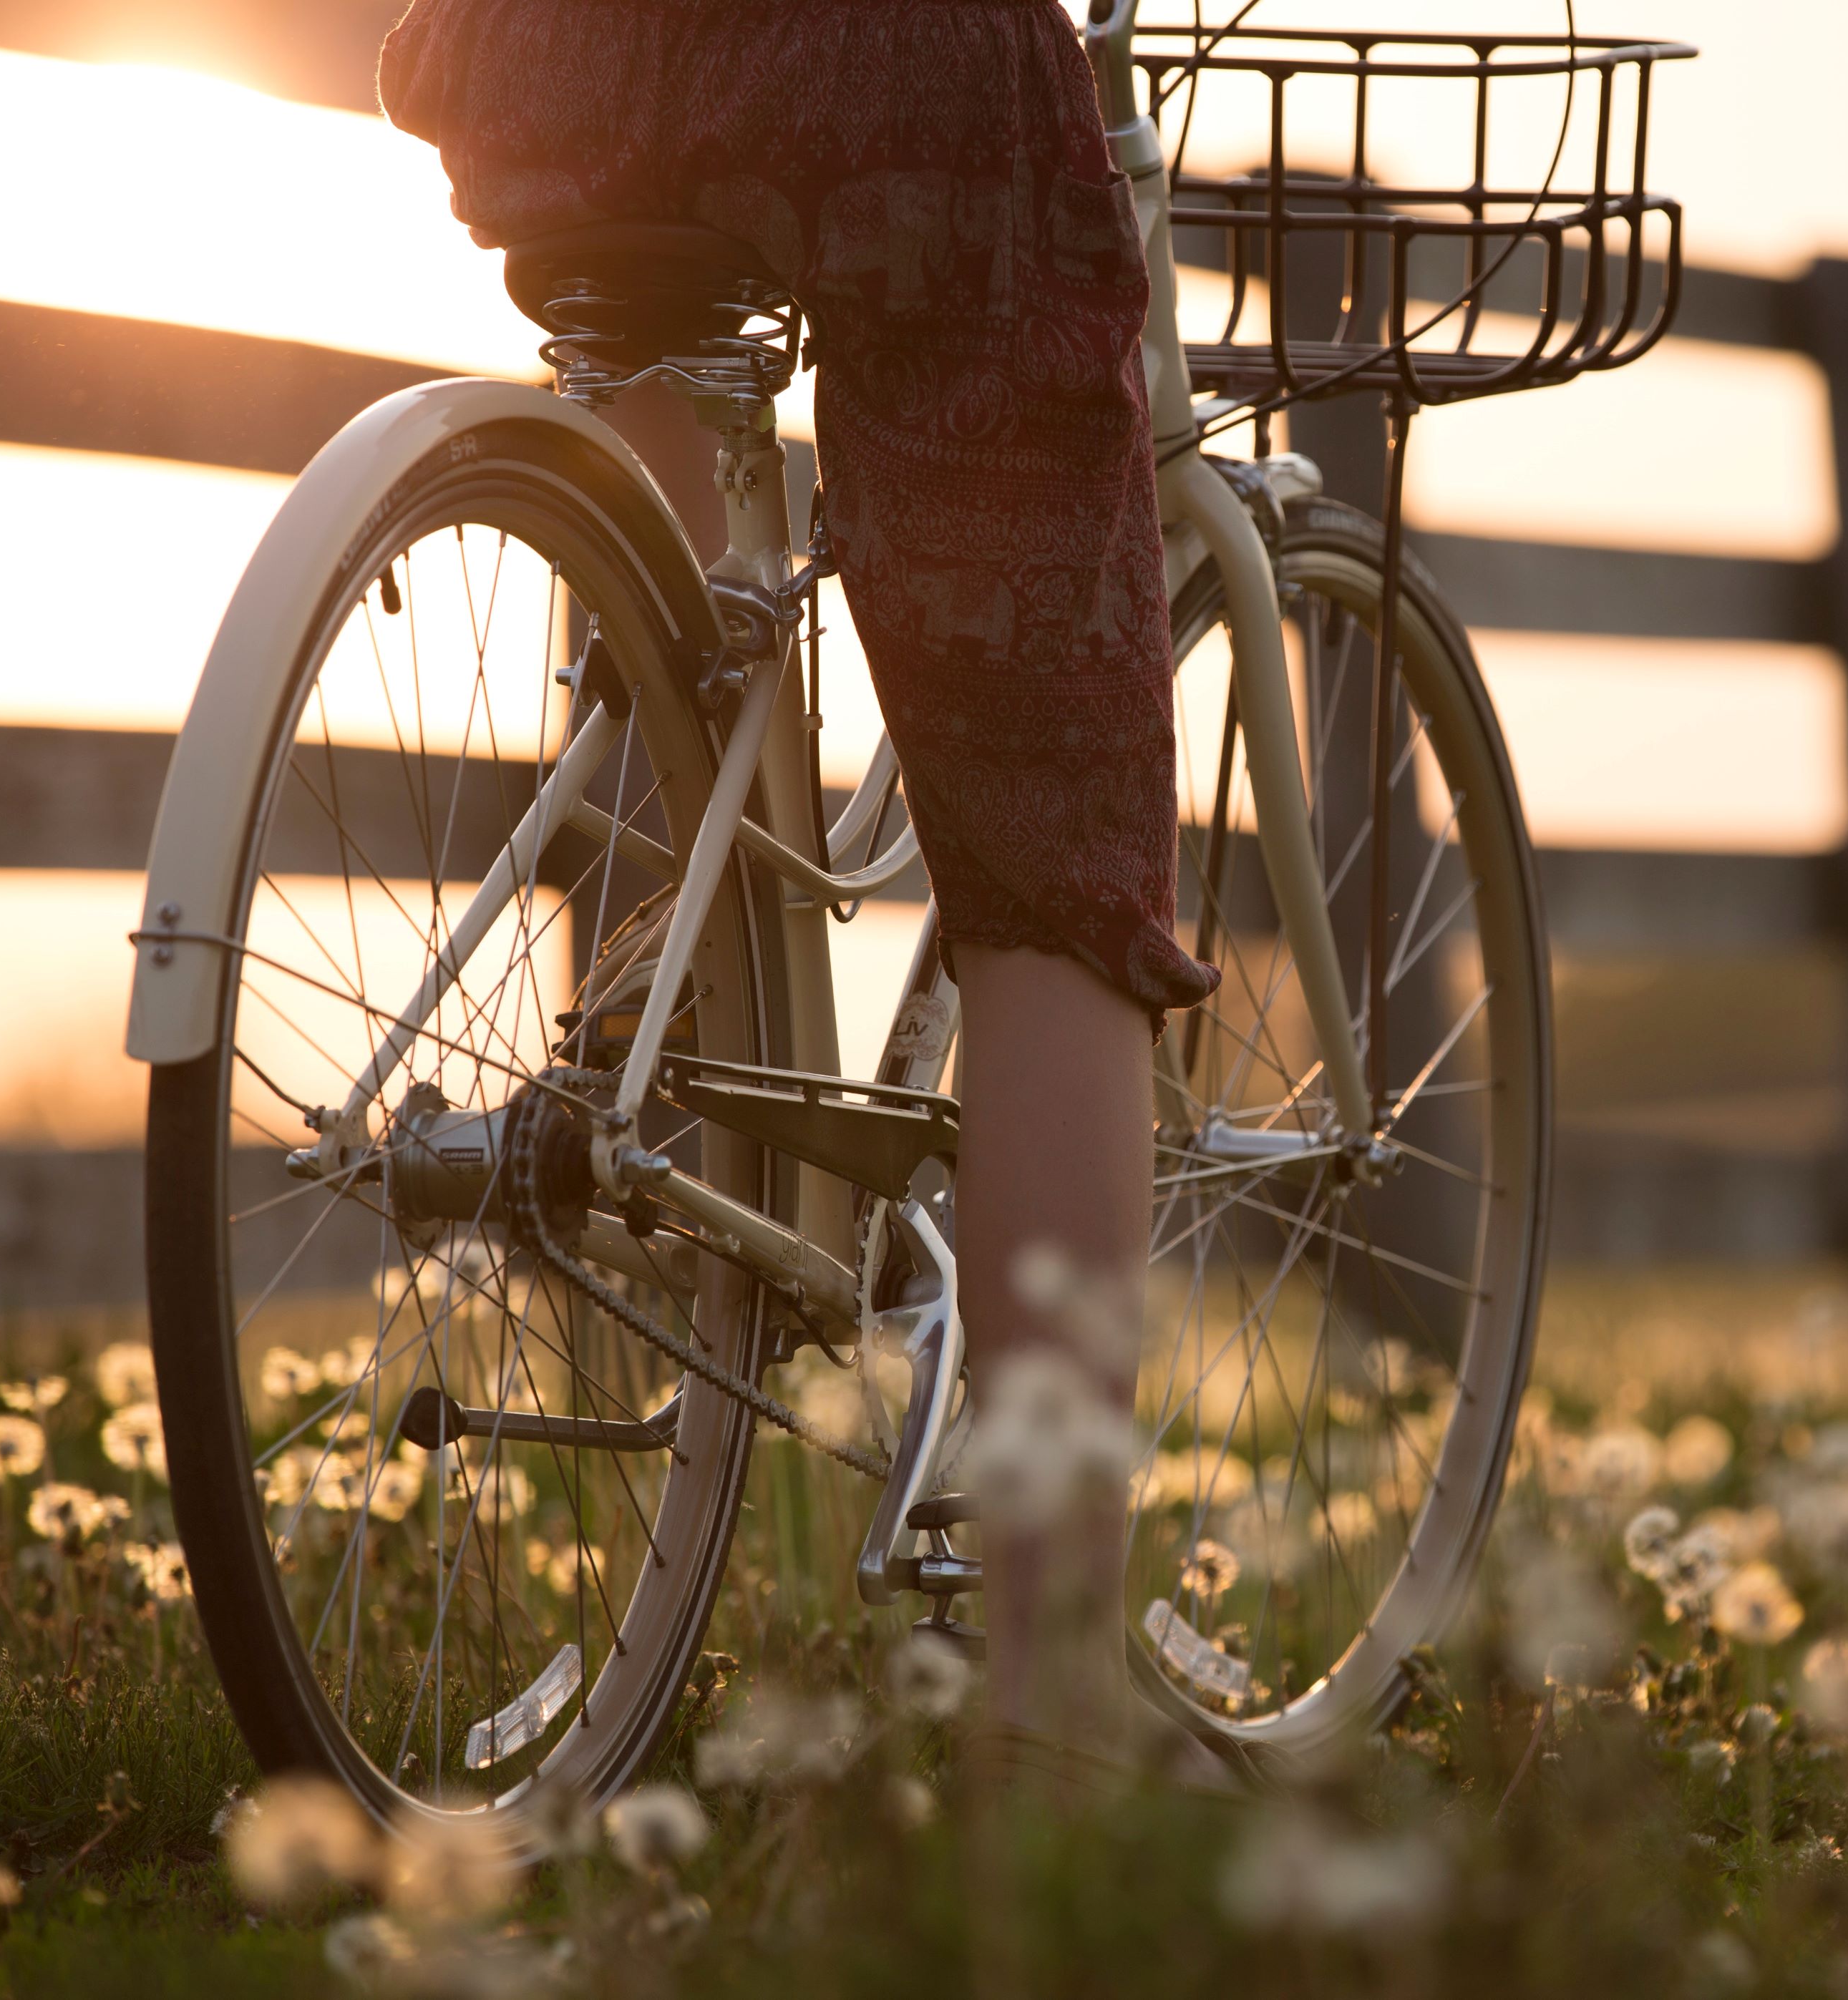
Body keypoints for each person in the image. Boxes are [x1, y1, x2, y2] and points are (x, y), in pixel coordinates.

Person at [376, 0, 1215, 1778]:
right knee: (1056, 857)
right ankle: (1050, 1709)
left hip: (539, 54)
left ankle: (652, 1042)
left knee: (667, 528)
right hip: (884, 67)